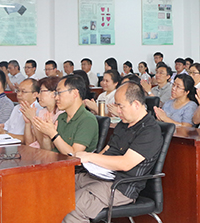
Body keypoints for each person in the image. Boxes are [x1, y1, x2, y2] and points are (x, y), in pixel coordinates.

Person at [63, 82, 163, 223]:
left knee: (73, 207)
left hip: (120, 186)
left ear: (136, 104)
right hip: (100, 176)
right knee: (58, 188)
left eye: (120, 106)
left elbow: (125, 164)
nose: (117, 111)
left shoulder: (149, 131)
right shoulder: (123, 124)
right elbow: (107, 150)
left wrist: (90, 156)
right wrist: (87, 161)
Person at [32, 74, 99, 155]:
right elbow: (49, 151)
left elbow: (74, 154)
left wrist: (53, 133)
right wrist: (47, 136)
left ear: (74, 93)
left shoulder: (87, 119)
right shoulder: (61, 117)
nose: (56, 97)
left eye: (59, 93)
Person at [0, 78, 42, 143]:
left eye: (23, 91)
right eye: (18, 91)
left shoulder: (39, 111)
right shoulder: (16, 107)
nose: (19, 94)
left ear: (35, 95)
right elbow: (6, 128)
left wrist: (5, 134)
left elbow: (31, 140)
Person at [22, 76, 63, 148]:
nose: (38, 95)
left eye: (41, 91)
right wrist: (27, 123)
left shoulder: (61, 114)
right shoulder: (42, 112)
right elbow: (29, 143)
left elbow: (44, 146)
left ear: (53, 94)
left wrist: (33, 119)